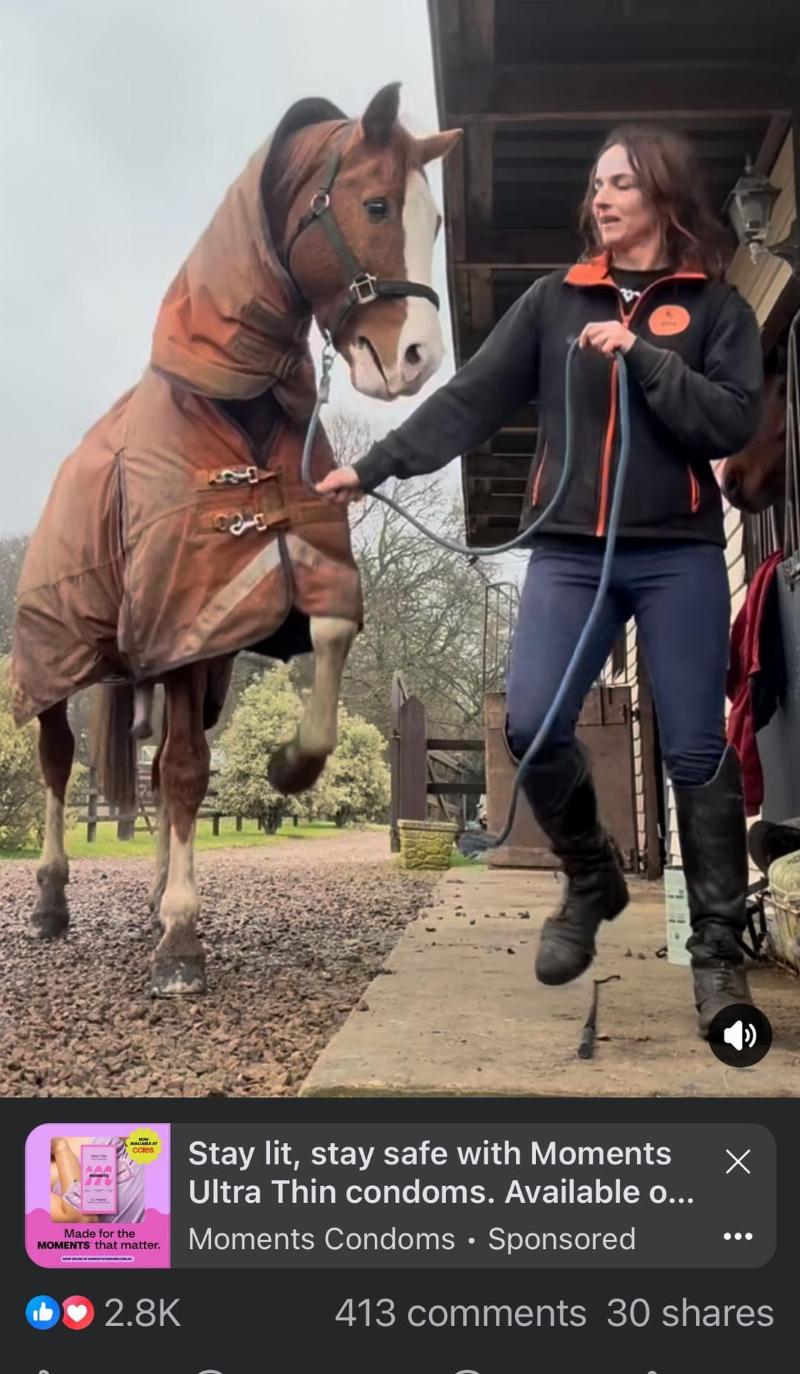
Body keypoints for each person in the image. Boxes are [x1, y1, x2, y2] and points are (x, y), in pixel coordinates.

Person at [315, 125, 764, 1038]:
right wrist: (375, 464)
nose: (601, 197)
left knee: (693, 749)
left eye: (621, 183)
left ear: (664, 195)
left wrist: (643, 355)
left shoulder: (718, 309)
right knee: (530, 720)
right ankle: (591, 874)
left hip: (678, 554)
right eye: (596, 183)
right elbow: (472, 399)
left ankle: (719, 955)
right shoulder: (553, 301)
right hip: (569, 551)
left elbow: (728, 421)